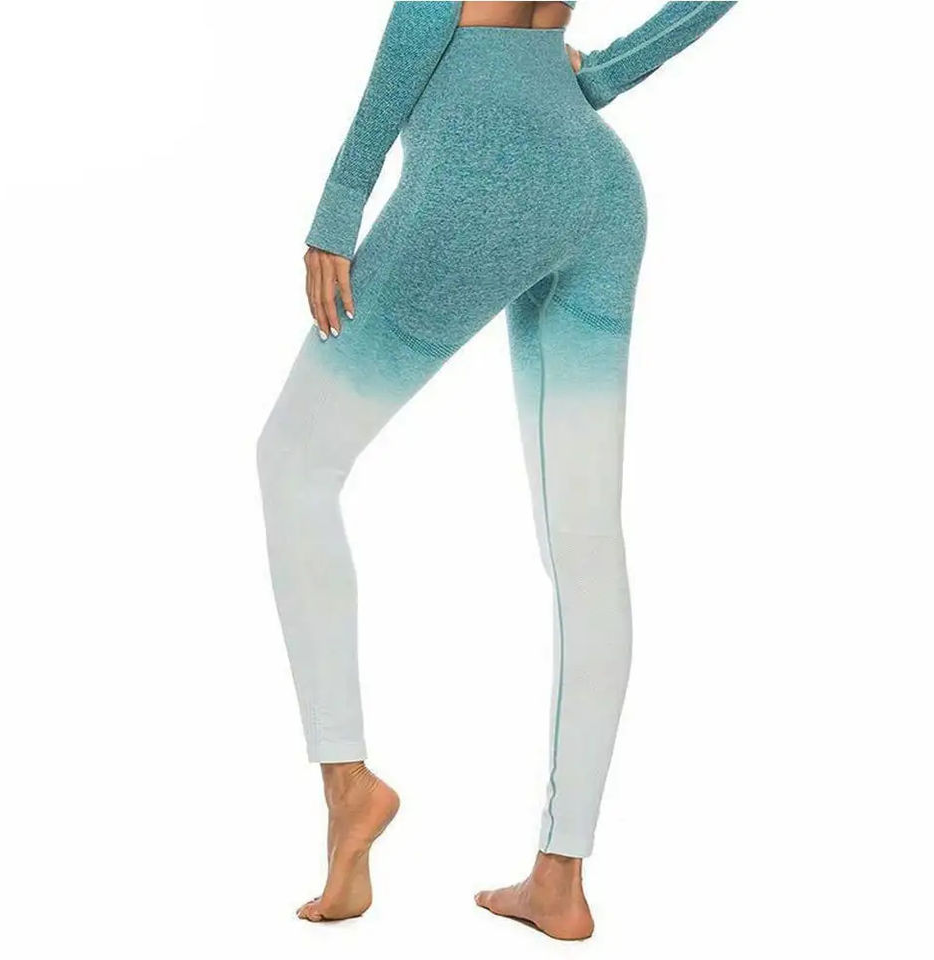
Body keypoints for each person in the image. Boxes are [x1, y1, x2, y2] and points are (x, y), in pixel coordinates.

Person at [257, 0, 735, 940]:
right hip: (596, 183)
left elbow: (422, 23)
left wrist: (337, 211)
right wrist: (603, 75)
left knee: (294, 462)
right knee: (585, 541)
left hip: (480, 174)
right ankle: (562, 877)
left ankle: (349, 786)